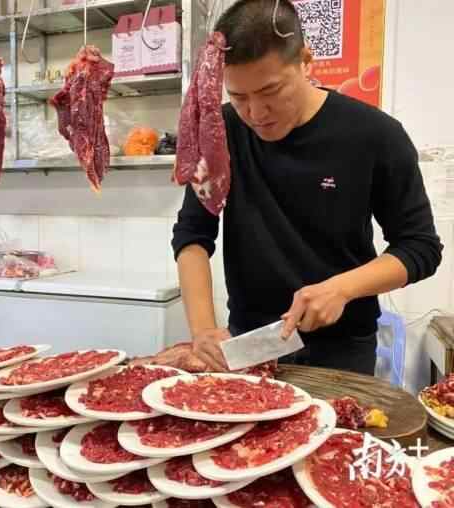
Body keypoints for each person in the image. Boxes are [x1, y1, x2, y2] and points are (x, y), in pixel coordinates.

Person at [171, 0, 443, 375]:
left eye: (270, 91)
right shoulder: (220, 133)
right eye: (238, 96)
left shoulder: (374, 135)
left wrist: (342, 288)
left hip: (342, 349)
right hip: (251, 342)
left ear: (305, 61)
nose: (255, 114)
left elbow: (420, 247)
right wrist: (202, 330)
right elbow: (192, 234)